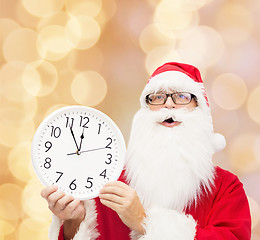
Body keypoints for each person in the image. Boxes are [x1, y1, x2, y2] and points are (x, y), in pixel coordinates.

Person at [41, 62, 251, 240]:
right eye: (157, 97)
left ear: (200, 111)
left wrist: (144, 221)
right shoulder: (109, 182)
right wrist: (74, 221)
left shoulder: (226, 188)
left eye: (182, 96)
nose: (168, 105)